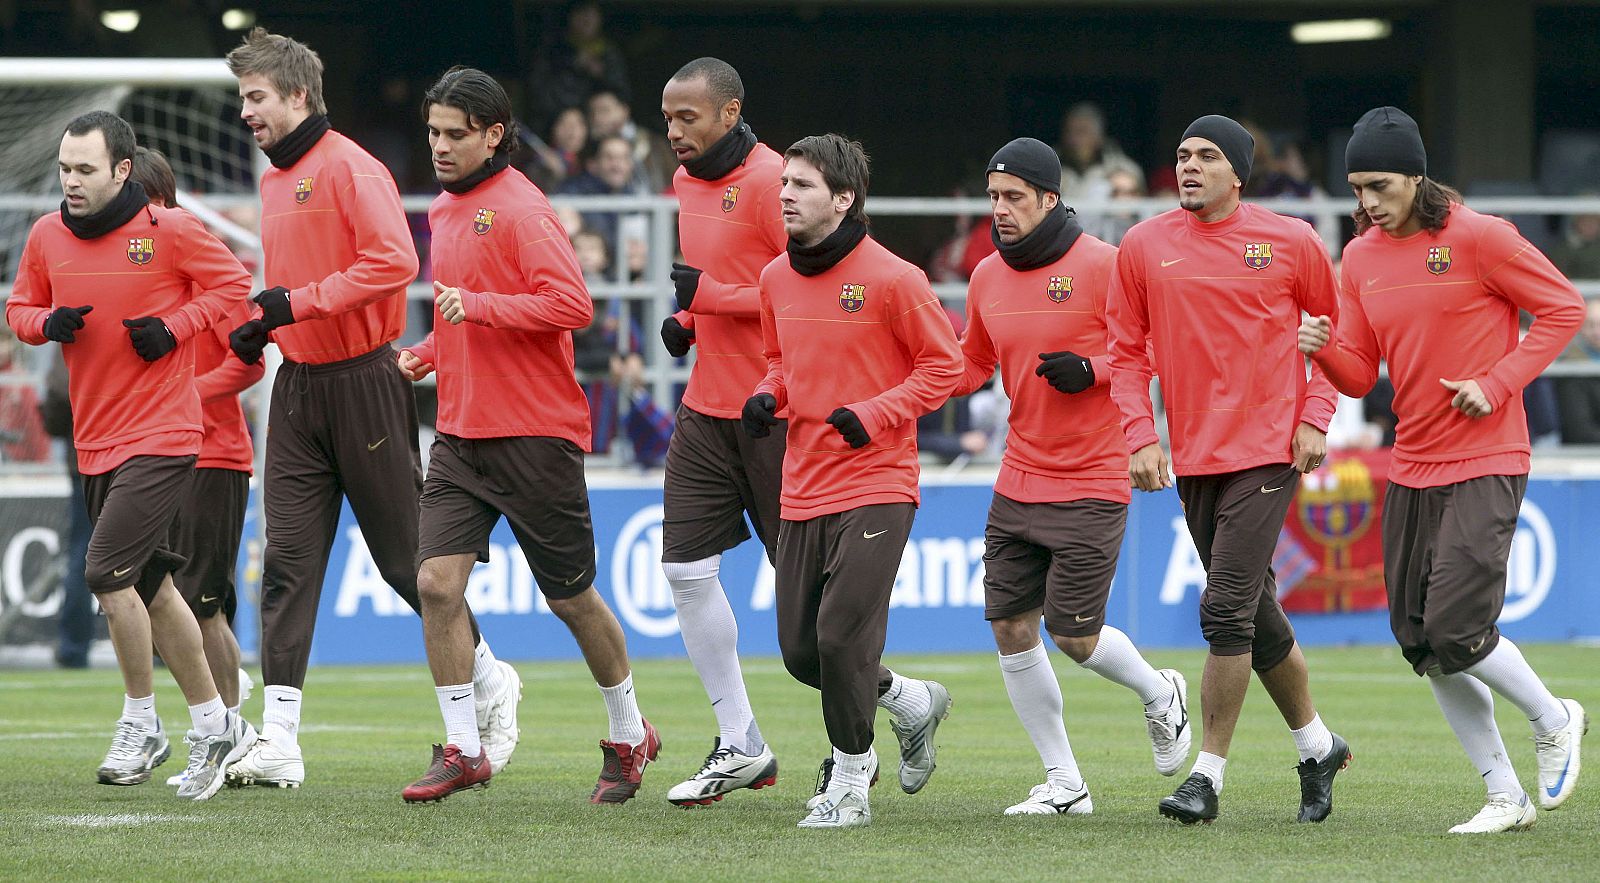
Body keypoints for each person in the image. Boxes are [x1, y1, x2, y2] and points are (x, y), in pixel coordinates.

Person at [222, 28, 517, 790]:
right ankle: (280, 736)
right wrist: (268, 321)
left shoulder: (353, 167)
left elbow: (396, 262)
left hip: (365, 381)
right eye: (242, 97)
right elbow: (297, 284)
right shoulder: (273, 180)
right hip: (298, 387)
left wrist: (299, 301)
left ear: (296, 95)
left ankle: (489, 678)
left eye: (255, 97)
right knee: (286, 561)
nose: (245, 112)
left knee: (402, 563)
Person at [1298, 106, 1588, 834]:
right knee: (1422, 638)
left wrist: (1496, 382)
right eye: (1356, 185)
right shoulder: (1359, 256)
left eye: (1378, 184)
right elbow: (1361, 374)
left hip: (1487, 456)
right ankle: (1504, 795)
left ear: (1415, 175)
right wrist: (1322, 346)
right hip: (1412, 463)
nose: (1364, 200)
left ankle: (1554, 716)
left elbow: (1562, 309)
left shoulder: (1481, 236)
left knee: (1458, 625)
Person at [394, 67, 658, 804]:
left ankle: (630, 731)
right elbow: (463, 319)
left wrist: (474, 308)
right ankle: (464, 746)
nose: (440, 147)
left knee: (572, 599)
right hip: (461, 433)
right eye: (433, 134)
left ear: (493, 134)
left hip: (536, 435)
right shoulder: (447, 210)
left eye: (454, 135)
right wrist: (432, 351)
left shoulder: (523, 209)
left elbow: (570, 303)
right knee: (434, 584)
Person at [1106, 114, 1351, 826]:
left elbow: (1334, 338)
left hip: (1270, 449)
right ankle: (1318, 745)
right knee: (1257, 617)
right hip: (1193, 457)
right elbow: (1125, 352)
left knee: (1224, 608)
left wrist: (1315, 416)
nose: (1189, 166)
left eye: (1207, 156)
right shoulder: (1144, 245)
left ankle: (1206, 776)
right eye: (1181, 155)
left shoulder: (1293, 240)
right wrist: (1140, 436)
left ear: (1238, 172)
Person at [6, 110, 254, 799]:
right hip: (94, 438)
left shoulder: (167, 229)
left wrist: (175, 327)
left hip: (166, 433)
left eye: (85, 169)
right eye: (64, 168)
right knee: (151, 585)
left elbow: (233, 286)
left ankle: (142, 720)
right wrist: (43, 323)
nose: (71, 181)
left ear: (122, 170)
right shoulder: (46, 234)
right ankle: (216, 724)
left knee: (105, 573)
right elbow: (19, 307)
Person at [953, 138, 1191, 816]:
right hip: (1017, 475)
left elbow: (1153, 352)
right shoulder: (985, 277)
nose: (999, 210)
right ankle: (1065, 782)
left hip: (1093, 475)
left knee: (1076, 635)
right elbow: (970, 363)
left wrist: (1095, 369)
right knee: (1009, 625)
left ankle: (1158, 690)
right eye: (993, 197)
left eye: (1013, 198)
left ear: (1050, 199)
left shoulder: (1106, 267)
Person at [745, 134, 959, 829]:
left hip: (878, 480)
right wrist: (767, 394)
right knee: (803, 652)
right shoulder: (774, 278)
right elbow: (783, 362)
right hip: (802, 482)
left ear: (844, 198)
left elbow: (944, 367)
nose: (785, 195)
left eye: (802, 185)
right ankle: (908, 700)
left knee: (840, 639)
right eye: (784, 184)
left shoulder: (895, 278)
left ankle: (852, 777)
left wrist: (876, 412)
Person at [655, 57, 787, 806]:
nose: (674, 132)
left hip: (776, 408)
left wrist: (713, 298)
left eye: (688, 118)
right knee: (683, 570)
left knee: (802, 600)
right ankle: (741, 739)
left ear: (730, 112)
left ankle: (894, 702)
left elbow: (803, 290)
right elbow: (711, 284)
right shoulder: (684, 182)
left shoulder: (774, 181)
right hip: (707, 407)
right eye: (668, 118)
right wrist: (685, 319)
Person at [124, 147, 260, 790]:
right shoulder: (131, 270)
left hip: (212, 454)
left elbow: (250, 361)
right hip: (153, 452)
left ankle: (228, 736)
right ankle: (227, 728)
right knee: (169, 599)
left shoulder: (207, 262)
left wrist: (184, 392)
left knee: (204, 604)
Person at [1555, 297, 1600, 443]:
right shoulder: (1571, 370)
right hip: (1585, 457)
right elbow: (1579, 431)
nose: (1597, 331)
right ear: (1581, 329)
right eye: (1590, 324)